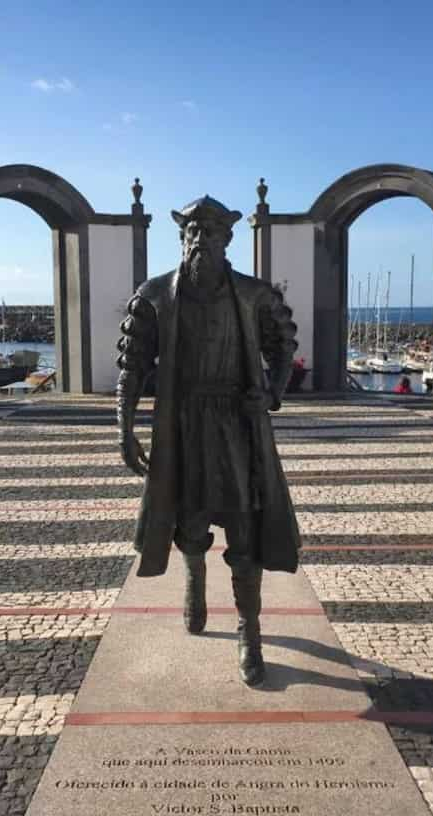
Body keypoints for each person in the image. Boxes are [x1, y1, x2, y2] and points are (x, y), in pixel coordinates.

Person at [116, 196, 301, 688]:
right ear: (181, 238)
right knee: (190, 517)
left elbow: (284, 345)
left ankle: (250, 632)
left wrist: (271, 394)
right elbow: (132, 366)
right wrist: (124, 428)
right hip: (182, 424)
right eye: (191, 233)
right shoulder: (155, 295)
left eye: (210, 234)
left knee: (245, 528)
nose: (200, 242)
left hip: (237, 425)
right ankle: (195, 585)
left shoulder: (254, 294)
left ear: (227, 240)